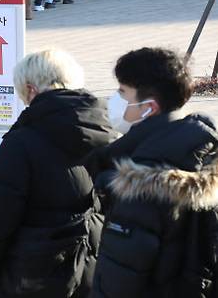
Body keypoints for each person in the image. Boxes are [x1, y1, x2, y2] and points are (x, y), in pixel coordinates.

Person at [0, 49, 115, 297]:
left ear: (31, 89)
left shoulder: (22, 142)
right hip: (96, 269)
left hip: (33, 275)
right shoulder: (108, 131)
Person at [85, 48, 218, 297]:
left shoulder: (140, 182)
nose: (113, 99)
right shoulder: (199, 155)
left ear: (149, 107)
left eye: (122, 92)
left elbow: (121, 278)